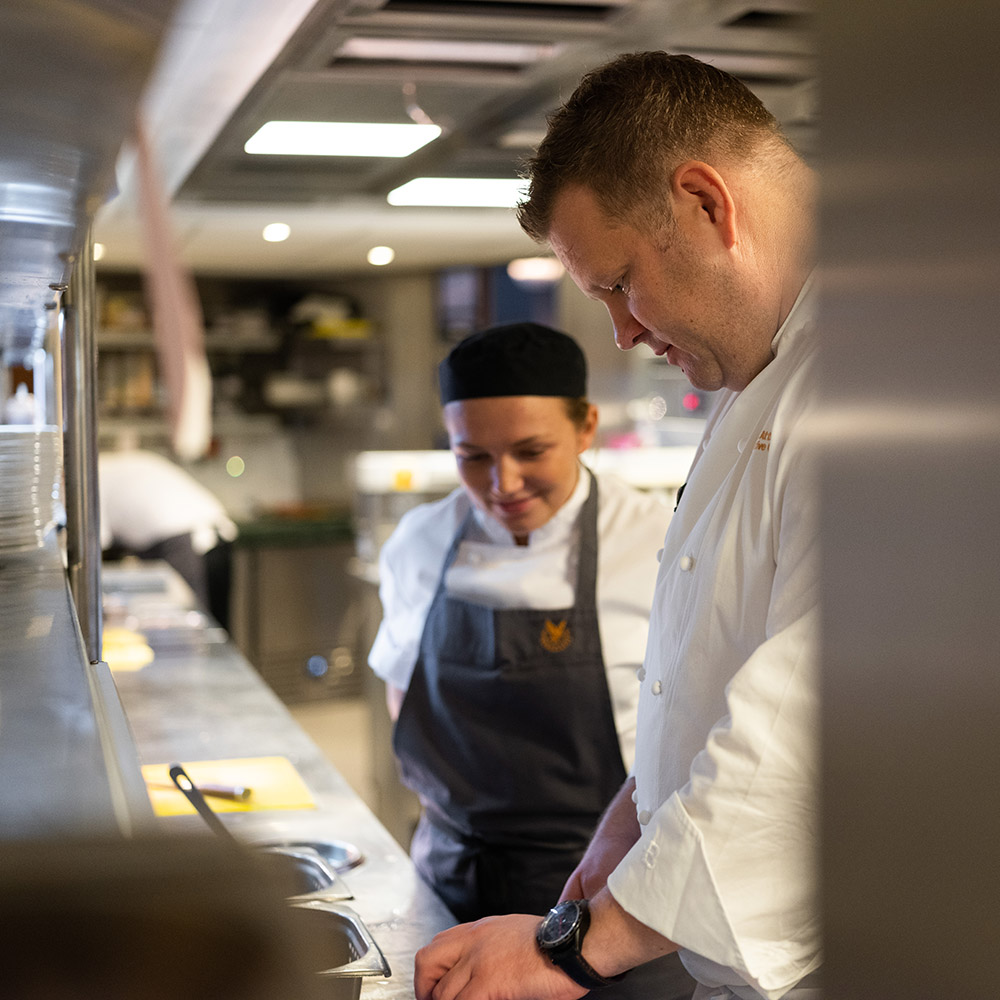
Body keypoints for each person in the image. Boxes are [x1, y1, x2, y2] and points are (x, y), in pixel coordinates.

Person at [413, 51, 821, 1000]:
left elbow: (812, 724)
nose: (622, 335)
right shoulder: (760, 374)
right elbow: (713, 671)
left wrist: (569, 952)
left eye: (619, 282)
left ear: (705, 203)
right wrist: (612, 849)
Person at [369, 321, 695, 999]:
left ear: (586, 428)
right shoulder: (420, 542)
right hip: (453, 880)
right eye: (472, 457)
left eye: (530, 450)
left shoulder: (660, 546)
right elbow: (405, 695)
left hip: (606, 894)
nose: (502, 482)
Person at [98, 447, 237, 627]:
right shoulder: (111, 465)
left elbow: (94, 547)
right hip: (213, 533)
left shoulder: (93, 475)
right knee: (212, 627)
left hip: (187, 540)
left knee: (190, 625)